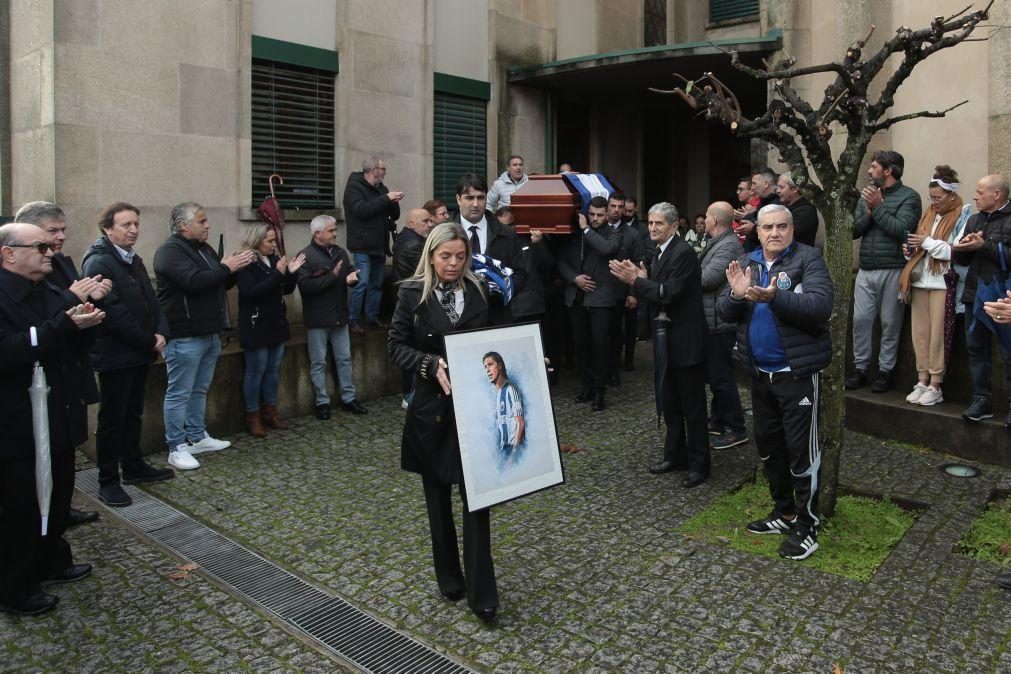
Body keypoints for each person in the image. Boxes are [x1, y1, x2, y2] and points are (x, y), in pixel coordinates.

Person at [387, 222, 500, 623]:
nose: (453, 264)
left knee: (478, 500)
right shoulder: (411, 294)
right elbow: (395, 345)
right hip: (430, 414)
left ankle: (483, 592)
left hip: (473, 411)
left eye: (460, 256)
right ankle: (449, 578)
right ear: (431, 256)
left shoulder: (480, 291)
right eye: (445, 256)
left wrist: (522, 362)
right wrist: (427, 363)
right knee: (437, 504)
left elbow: (494, 341)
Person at [718, 204, 835, 560]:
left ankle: (807, 527)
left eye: (782, 226)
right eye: (768, 227)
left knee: (803, 454)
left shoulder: (808, 259)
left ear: (791, 229)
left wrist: (776, 297)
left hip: (795, 375)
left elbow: (819, 306)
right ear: (758, 230)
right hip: (759, 375)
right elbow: (723, 311)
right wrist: (738, 295)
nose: (775, 233)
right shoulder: (748, 261)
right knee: (769, 448)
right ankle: (785, 513)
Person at [0, 222, 102, 616]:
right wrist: (63, 326)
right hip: (16, 422)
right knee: (21, 504)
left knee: (59, 494)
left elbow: (67, 335)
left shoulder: (51, 289)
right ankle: (16, 587)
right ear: (9, 253)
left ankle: (52, 559)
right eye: (40, 245)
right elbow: (8, 348)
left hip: (58, 412)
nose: (50, 252)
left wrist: (86, 325)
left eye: (50, 245)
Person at [13, 201, 107, 526]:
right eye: (52, 232)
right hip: (31, 399)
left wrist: (92, 302)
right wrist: (72, 300)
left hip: (66, 381)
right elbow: (37, 329)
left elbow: (64, 315)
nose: (60, 239)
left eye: (62, 230)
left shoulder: (58, 264)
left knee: (63, 464)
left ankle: (59, 520)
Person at [610, 202, 710, 488]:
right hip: (666, 340)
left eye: (659, 224)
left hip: (685, 342)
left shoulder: (683, 253)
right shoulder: (660, 251)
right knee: (671, 403)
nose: (653, 228)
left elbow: (668, 293)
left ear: (674, 226)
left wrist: (636, 282)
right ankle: (675, 455)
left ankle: (700, 465)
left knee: (692, 407)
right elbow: (657, 286)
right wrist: (643, 278)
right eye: (650, 223)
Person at [80, 203, 174, 507]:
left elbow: (152, 299)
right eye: (125, 225)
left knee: (133, 412)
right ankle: (108, 480)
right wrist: (149, 340)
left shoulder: (132, 259)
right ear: (108, 229)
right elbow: (113, 312)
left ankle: (133, 465)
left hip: (140, 351)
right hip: (116, 353)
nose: (133, 230)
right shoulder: (99, 262)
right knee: (112, 419)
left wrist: (161, 332)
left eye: (136, 224)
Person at [154, 202, 254, 471]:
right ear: (184, 226)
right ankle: (176, 447)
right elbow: (194, 282)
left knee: (200, 388)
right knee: (179, 393)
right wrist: (226, 268)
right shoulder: (169, 252)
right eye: (202, 221)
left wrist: (236, 267)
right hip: (184, 335)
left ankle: (197, 436)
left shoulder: (204, 249)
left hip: (209, 332)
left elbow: (217, 282)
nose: (207, 225)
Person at [847, 150, 922, 393]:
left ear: (889, 171)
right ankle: (860, 369)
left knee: (890, 322)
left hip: (894, 269)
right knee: (860, 321)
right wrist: (869, 212)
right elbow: (854, 230)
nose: (869, 171)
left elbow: (904, 231)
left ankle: (885, 371)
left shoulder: (909, 197)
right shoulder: (866, 195)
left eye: (874, 166)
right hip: (866, 269)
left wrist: (878, 208)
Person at [898, 166, 972, 407]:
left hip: (943, 282)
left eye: (938, 198)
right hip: (920, 279)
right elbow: (923, 247)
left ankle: (936, 384)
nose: (933, 202)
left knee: (938, 335)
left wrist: (926, 242)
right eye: (931, 197)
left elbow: (955, 250)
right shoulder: (928, 214)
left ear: (951, 195)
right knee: (919, 334)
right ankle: (921, 379)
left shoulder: (964, 214)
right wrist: (910, 250)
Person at [235, 225, 305, 437]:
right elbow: (251, 292)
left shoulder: (273, 260)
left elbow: (285, 289)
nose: (274, 245)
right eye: (269, 241)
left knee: (273, 369)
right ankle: (253, 415)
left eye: (274, 240)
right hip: (256, 325)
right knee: (256, 370)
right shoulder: (245, 263)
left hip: (276, 323)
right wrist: (278, 274)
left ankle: (270, 410)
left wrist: (291, 274)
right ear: (256, 242)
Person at [953, 174, 1011, 423]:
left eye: (979, 192)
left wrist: (983, 246)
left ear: (996, 195)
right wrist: (963, 248)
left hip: (1004, 298)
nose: (974, 196)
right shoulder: (974, 219)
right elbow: (964, 260)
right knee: (976, 349)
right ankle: (981, 400)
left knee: (1009, 354)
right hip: (974, 293)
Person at [297, 215, 367, 421]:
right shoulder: (306, 256)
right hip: (317, 318)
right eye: (331, 230)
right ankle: (322, 402)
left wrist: (353, 278)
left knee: (344, 359)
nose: (335, 233)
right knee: (318, 362)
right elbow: (306, 287)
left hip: (339, 315)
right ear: (317, 233)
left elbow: (350, 273)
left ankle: (348, 397)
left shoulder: (340, 253)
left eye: (335, 230)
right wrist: (333, 276)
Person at [559, 196, 620, 410]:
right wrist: (574, 278)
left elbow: (606, 249)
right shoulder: (574, 234)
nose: (595, 218)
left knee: (600, 347)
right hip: (576, 296)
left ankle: (599, 391)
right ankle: (585, 386)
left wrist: (586, 230)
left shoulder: (612, 232)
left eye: (599, 215)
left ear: (606, 215)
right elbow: (561, 261)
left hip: (601, 300)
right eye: (591, 214)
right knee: (581, 346)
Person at [699, 202, 748, 449]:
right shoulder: (718, 242)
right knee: (716, 375)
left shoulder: (728, 245)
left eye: (707, 216)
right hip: (712, 320)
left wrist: (685, 274)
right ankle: (719, 420)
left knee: (722, 377)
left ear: (715, 221)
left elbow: (708, 278)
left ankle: (735, 428)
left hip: (720, 322)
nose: (704, 220)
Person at [452, 173, 527, 323]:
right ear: (458, 199)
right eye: (469, 198)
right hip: (456, 318)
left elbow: (520, 274)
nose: (475, 204)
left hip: (496, 316)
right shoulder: (442, 234)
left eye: (480, 198)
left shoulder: (508, 234)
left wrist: (500, 290)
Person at [343, 156, 403, 335]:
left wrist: (393, 201)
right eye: (383, 169)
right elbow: (361, 210)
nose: (385, 173)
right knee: (362, 283)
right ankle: (353, 320)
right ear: (374, 170)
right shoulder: (354, 187)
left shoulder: (381, 189)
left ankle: (372, 318)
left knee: (376, 284)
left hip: (379, 244)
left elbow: (395, 215)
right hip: (362, 244)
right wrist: (386, 198)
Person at [605, 192, 643, 379]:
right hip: (601, 290)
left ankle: (616, 369)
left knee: (620, 332)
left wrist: (633, 292)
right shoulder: (600, 229)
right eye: (613, 206)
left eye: (620, 207)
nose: (617, 210)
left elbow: (638, 263)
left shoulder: (632, 234)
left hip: (622, 290)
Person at [483, 351, 525, 465]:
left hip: (513, 449)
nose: (487, 370)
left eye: (490, 364)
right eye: (485, 367)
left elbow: (520, 424)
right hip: (504, 449)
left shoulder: (511, 389)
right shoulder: (498, 394)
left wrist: (514, 454)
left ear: (500, 366)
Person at [738, 168, 781, 251]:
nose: (752, 188)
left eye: (754, 183)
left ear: (766, 184)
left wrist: (752, 226)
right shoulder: (764, 201)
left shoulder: (776, 205)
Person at [776, 173, 820, 247]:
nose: (777, 190)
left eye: (781, 187)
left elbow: (786, 234)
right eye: (778, 187)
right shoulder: (785, 207)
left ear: (794, 189)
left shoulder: (806, 211)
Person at [394, 208, 435, 282]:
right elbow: (428, 271)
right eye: (425, 221)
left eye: (431, 221)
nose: (430, 225)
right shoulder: (415, 244)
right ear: (412, 224)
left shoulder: (404, 236)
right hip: (413, 289)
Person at [732, 177, 759, 246]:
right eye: (738, 189)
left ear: (751, 191)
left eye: (741, 189)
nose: (737, 192)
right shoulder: (746, 207)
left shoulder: (757, 208)